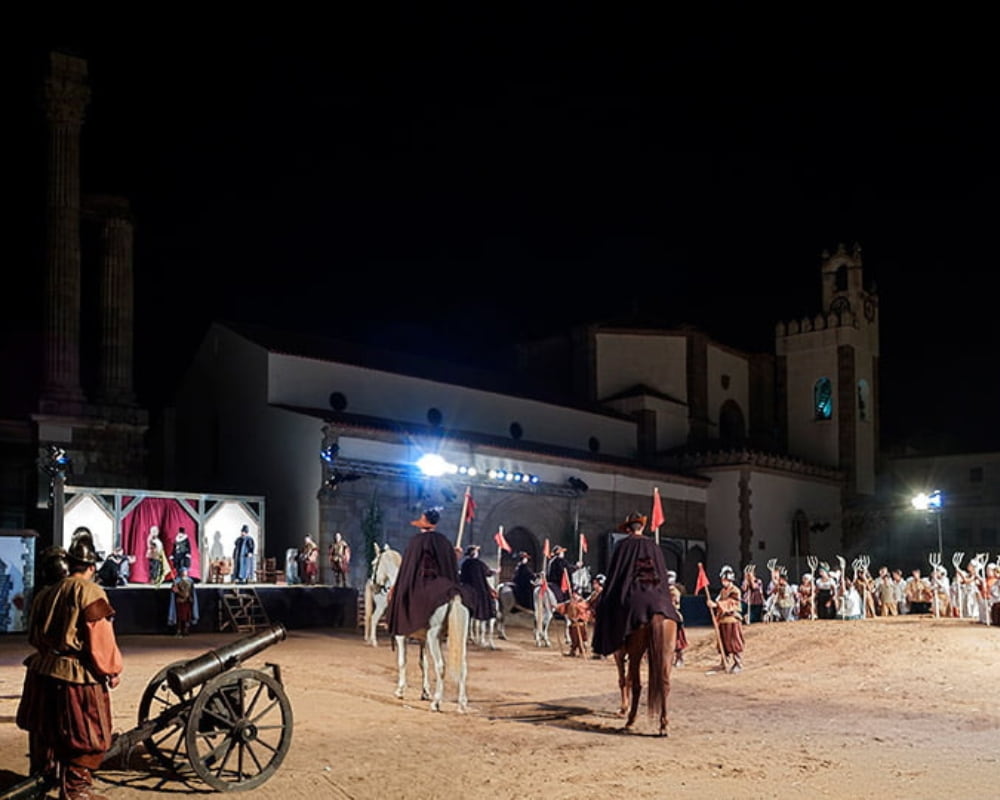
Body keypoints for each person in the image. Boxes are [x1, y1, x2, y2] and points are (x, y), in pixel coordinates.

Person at [16, 530, 123, 800]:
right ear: (91, 566)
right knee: (87, 734)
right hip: (75, 676)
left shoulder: (45, 594)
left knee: (47, 732)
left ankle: (41, 784)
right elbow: (99, 636)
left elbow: (32, 635)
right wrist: (110, 669)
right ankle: (76, 791)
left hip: (43, 670)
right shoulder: (89, 591)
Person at [591, 511, 681, 659]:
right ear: (643, 527)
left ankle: (606, 646)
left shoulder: (621, 545)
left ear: (628, 528)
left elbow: (615, 573)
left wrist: (609, 593)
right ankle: (678, 643)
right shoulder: (653, 545)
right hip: (655, 593)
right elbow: (662, 575)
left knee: (604, 606)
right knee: (672, 613)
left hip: (631, 592)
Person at [386, 507, 465, 639]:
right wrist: (455, 555)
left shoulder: (416, 541)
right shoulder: (443, 541)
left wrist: (397, 585)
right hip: (441, 582)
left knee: (399, 597)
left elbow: (408, 566)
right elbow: (448, 562)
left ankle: (404, 627)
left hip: (420, 581)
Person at [707, 565, 744, 672]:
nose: (724, 582)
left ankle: (737, 663)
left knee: (734, 642)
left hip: (732, 620)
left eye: (726, 580)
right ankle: (724, 661)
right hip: (723, 620)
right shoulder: (723, 591)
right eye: (723, 580)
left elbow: (731, 603)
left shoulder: (735, 590)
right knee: (723, 642)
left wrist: (716, 605)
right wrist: (713, 604)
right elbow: (718, 600)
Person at [459, 544, 497, 627]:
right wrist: (496, 571)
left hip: (466, 586)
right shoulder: (479, 564)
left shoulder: (465, 563)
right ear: (473, 552)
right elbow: (487, 572)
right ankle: (484, 614)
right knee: (487, 598)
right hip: (478, 587)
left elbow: (462, 576)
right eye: (476, 551)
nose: (477, 553)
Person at [168, 567, 199, 637]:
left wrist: (189, 597)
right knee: (179, 617)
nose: (184, 573)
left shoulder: (190, 581)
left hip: (187, 601)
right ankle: (178, 630)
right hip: (180, 601)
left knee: (187, 617)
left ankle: (186, 630)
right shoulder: (177, 581)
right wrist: (174, 590)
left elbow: (190, 592)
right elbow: (174, 591)